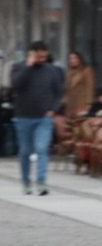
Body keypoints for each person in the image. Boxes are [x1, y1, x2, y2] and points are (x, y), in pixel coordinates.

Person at [9, 41, 63, 195]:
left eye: (44, 56)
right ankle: (26, 181)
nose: (42, 59)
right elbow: (16, 85)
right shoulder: (18, 68)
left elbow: (58, 92)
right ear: (31, 54)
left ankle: (41, 181)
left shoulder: (52, 71)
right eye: (39, 56)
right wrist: (28, 66)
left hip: (44, 117)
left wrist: (53, 109)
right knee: (25, 151)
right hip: (23, 116)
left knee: (41, 148)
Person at [62, 50, 95, 126]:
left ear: (80, 59)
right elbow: (66, 88)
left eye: (75, 58)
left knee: (81, 125)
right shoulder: (69, 73)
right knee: (70, 126)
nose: (73, 60)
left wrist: (88, 103)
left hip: (81, 103)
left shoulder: (86, 70)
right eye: (70, 58)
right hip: (70, 104)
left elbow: (90, 87)